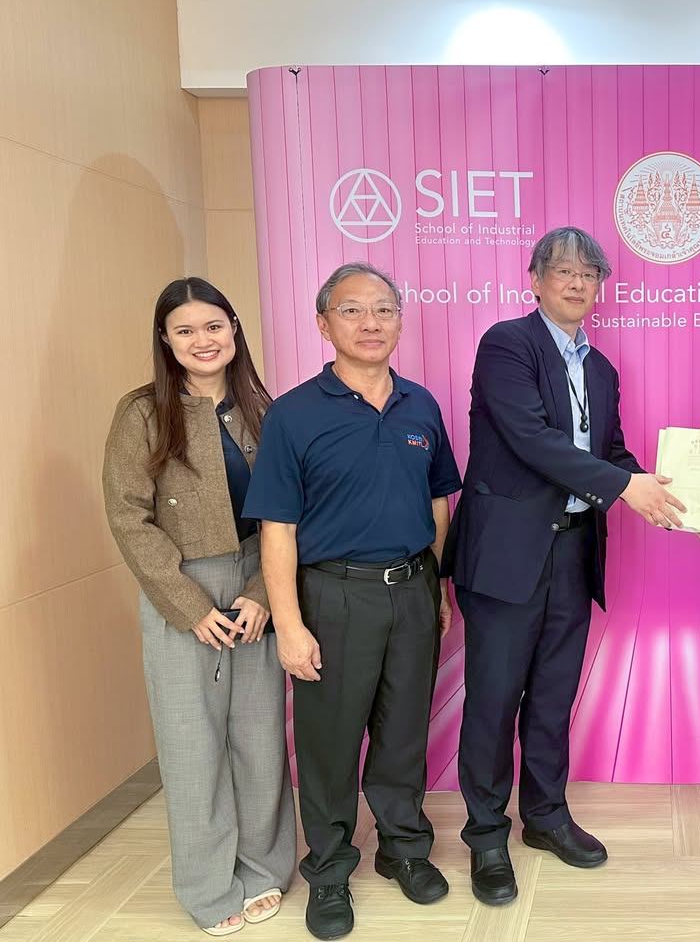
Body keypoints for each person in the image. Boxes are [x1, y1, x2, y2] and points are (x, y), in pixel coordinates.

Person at [443, 226, 686, 905]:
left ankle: (545, 816)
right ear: (536, 281)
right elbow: (531, 439)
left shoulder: (601, 369)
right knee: (494, 700)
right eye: (564, 271)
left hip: (574, 549)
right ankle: (486, 835)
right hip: (507, 553)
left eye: (589, 274)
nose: (578, 283)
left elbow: (610, 452)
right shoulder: (507, 344)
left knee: (552, 696)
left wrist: (676, 495)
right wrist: (626, 487)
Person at [243, 262, 462, 940]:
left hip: (413, 591)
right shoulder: (293, 414)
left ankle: (403, 849)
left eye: (384, 310)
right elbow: (277, 528)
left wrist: (439, 585)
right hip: (332, 596)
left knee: (403, 733)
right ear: (323, 323)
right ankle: (330, 870)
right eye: (352, 310)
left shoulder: (421, 405)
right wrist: (289, 625)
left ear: (400, 321)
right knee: (330, 742)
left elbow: (438, 501)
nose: (371, 323)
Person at [103, 277, 295, 937]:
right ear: (165, 339)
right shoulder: (141, 414)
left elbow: (292, 512)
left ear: (234, 329)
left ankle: (264, 869)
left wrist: (264, 593)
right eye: (184, 330)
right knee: (192, 746)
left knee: (260, 740)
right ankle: (210, 888)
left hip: (260, 582)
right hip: (181, 587)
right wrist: (188, 605)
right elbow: (128, 518)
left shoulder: (266, 409)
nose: (202, 340)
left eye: (213, 325)